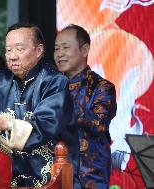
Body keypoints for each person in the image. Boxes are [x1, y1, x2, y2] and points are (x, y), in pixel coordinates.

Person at [0, 23, 80, 188]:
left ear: (39, 51)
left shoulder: (54, 82)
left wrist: (4, 123)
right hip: (9, 178)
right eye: (8, 50)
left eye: (19, 49)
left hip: (50, 179)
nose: (12, 56)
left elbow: (45, 125)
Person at [54, 24, 117, 189]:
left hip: (89, 177)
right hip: (54, 173)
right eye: (56, 49)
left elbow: (99, 125)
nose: (59, 54)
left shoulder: (102, 87)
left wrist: (62, 103)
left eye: (65, 47)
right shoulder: (52, 86)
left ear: (84, 50)